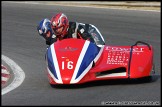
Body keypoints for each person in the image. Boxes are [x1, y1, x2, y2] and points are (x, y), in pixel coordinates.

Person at [37, 13, 105, 47]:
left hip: (91, 32)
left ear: (65, 25)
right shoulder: (54, 36)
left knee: (98, 48)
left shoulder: (75, 28)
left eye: (59, 28)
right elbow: (50, 54)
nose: (57, 31)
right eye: (55, 29)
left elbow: (90, 42)